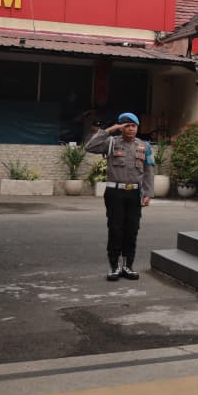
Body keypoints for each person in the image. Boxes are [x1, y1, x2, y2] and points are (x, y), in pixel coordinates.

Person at [85, 112, 155, 281]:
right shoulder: (111, 142)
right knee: (115, 229)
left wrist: (148, 193)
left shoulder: (144, 146)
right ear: (121, 127)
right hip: (115, 193)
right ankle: (114, 267)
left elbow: (149, 171)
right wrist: (109, 130)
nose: (131, 129)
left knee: (132, 230)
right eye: (127, 126)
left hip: (134, 193)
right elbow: (89, 146)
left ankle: (127, 266)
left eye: (134, 126)